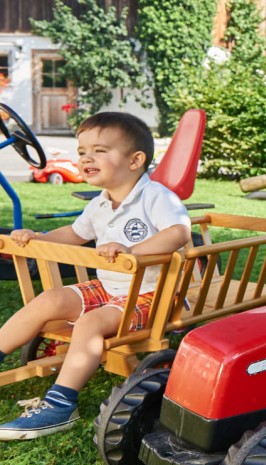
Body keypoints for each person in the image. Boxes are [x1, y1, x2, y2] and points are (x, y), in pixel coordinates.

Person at [0, 112, 192, 440]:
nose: (86, 158)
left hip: (150, 293)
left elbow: (178, 232)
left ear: (135, 160)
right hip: (108, 287)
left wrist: (132, 251)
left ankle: (61, 405)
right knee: (50, 299)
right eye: (82, 151)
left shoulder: (156, 197)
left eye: (99, 150)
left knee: (90, 323)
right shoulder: (100, 203)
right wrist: (38, 238)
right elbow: (75, 234)